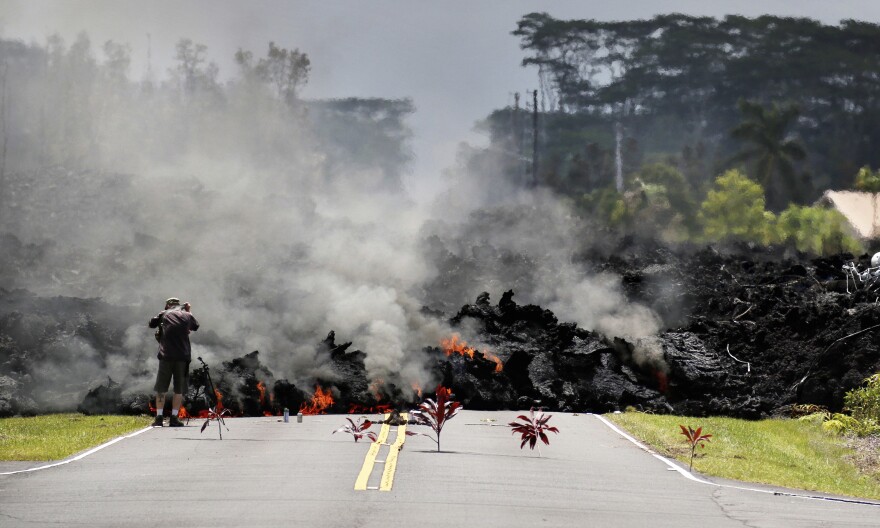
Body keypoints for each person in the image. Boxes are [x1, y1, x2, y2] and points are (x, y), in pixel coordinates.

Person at [149, 297, 199, 427]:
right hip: (182, 357)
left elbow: (151, 323)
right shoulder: (187, 315)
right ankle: (174, 418)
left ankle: (159, 418)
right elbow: (196, 326)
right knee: (179, 389)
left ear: (167, 306)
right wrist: (189, 311)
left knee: (161, 388)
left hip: (166, 356)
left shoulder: (164, 314)